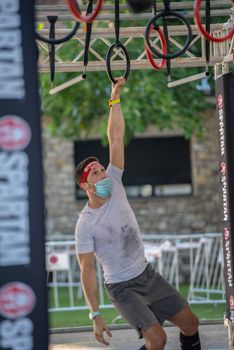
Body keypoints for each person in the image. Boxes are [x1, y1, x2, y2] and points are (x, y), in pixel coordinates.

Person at [74, 77, 201, 350]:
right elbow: (86, 272)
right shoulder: (85, 223)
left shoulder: (115, 181)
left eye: (101, 168)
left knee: (191, 323)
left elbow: (116, 136)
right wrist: (95, 314)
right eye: (95, 173)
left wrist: (115, 97)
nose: (103, 173)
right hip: (122, 287)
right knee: (158, 339)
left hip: (147, 274)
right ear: (86, 186)